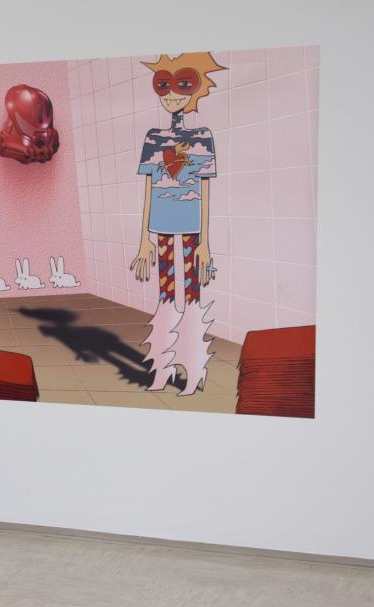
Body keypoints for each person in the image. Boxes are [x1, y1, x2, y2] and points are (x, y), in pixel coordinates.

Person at [129, 52, 225, 396]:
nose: (171, 94)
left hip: (192, 228)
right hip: (162, 228)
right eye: (163, 86)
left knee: (193, 296)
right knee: (166, 296)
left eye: (182, 85)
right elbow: (149, 189)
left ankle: (194, 370)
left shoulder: (203, 136)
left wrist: (205, 242)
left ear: (196, 90)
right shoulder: (153, 138)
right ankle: (162, 368)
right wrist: (144, 238)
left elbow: (205, 189)